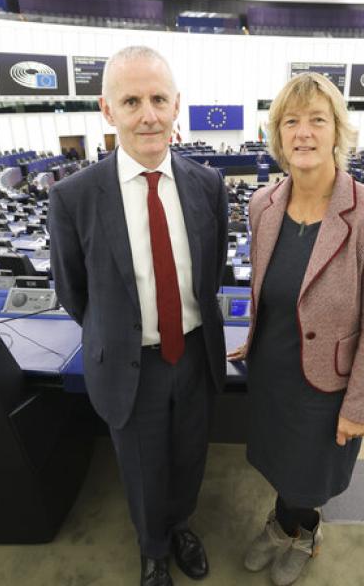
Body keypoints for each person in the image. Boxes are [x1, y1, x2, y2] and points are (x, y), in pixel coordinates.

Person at [48, 46, 227, 586]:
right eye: (132, 101)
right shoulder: (72, 197)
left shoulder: (208, 185)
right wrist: (121, 334)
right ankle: (151, 550)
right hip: (129, 362)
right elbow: (74, 293)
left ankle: (180, 527)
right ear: (107, 109)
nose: (148, 114)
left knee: (190, 456)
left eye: (158, 99)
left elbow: (210, 274)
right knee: (142, 469)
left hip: (194, 352)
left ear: (177, 106)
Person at [227, 72, 364, 586]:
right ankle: (283, 522)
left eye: (317, 121)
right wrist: (254, 338)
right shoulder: (262, 205)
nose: (303, 133)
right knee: (278, 460)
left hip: (327, 383)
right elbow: (267, 288)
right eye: (291, 122)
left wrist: (361, 405)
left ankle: (302, 532)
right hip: (273, 368)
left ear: (337, 132)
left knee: (309, 474)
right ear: (278, 135)